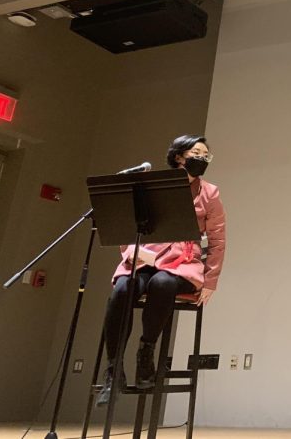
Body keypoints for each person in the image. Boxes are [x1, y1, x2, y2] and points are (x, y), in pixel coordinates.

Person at [96, 135, 226, 406]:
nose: (201, 159)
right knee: (123, 287)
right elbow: (130, 226)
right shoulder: (152, 186)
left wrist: (210, 281)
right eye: (196, 153)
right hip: (145, 258)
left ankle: (147, 353)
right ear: (179, 156)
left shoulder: (209, 193)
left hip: (183, 264)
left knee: (163, 283)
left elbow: (217, 239)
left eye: (205, 156)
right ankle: (113, 369)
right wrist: (133, 254)